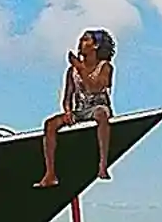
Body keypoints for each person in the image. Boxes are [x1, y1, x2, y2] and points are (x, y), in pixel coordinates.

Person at [35, 29, 114, 187]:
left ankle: (103, 165)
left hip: (98, 107)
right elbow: (67, 97)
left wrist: (80, 67)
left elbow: (95, 87)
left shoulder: (105, 67)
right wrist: (68, 112)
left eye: (86, 40)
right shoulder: (71, 72)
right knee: (50, 124)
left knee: (102, 115)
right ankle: (50, 173)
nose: (81, 43)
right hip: (80, 110)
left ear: (96, 45)